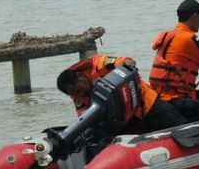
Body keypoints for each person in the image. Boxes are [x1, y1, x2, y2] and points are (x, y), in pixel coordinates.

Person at [57, 54, 188, 133]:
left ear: (80, 76)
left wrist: (127, 65)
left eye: (78, 90)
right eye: (75, 95)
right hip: (125, 119)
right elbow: (86, 119)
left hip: (146, 104)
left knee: (178, 125)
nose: (80, 95)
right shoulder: (78, 98)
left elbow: (122, 61)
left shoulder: (98, 65)